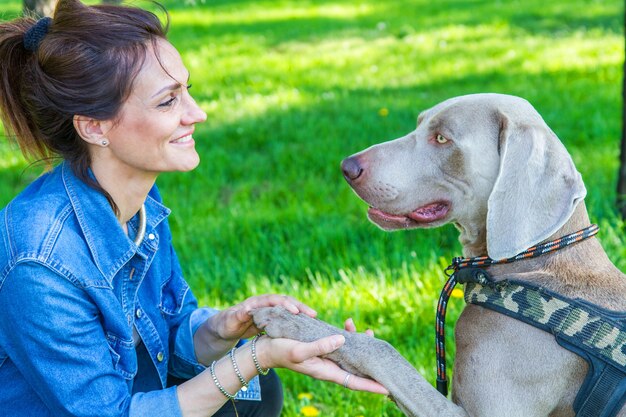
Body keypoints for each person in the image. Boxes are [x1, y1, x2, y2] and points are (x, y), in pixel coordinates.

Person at [0, 1, 388, 416]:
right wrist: (252, 358)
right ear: (94, 127)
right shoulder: (39, 260)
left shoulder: (139, 199)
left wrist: (224, 329)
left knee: (256, 391)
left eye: (186, 89)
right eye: (168, 102)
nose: (197, 113)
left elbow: (165, 332)